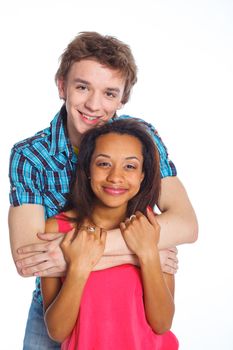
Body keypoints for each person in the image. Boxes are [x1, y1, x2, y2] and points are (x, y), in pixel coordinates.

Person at [8, 32, 198, 349]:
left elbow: (186, 225)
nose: (94, 105)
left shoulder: (142, 139)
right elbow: (32, 260)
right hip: (59, 306)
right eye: (82, 87)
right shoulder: (30, 155)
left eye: (109, 93)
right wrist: (143, 251)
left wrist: (82, 253)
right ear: (61, 86)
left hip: (133, 304)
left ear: (122, 98)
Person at [42, 118, 179, 349]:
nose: (116, 177)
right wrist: (79, 266)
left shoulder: (151, 227)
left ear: (143, 175)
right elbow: (56, 331)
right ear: (87, 168)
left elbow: (162, 323)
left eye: (130, 166)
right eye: (104, 164)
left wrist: (147, 253)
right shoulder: (58, 229)